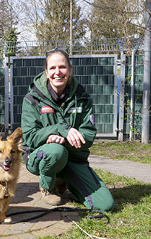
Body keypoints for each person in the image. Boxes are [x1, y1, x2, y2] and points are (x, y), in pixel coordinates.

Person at [21, 49, 115, 211]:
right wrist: (59, 130)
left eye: (62, 67)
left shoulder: (82, 98)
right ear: (46, 71)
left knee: (105, 205)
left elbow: (89, 135)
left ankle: (66, 181)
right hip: (40, 156)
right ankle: (47, 185)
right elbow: (29, 137)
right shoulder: (32, 99)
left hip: (74, 158)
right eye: (52, 68)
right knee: (55, 151)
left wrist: (63, 138)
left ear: (70, 70)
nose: (58, 72)